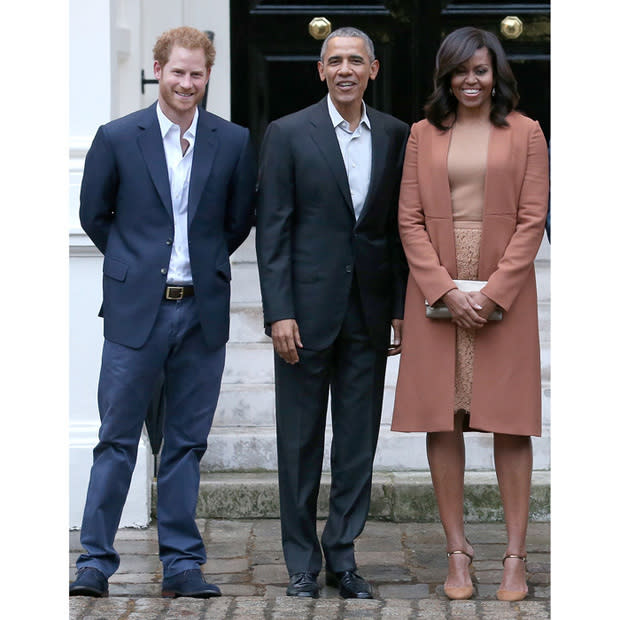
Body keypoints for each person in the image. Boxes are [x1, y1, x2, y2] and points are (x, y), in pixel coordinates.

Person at [70, 26, 256, 598]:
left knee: (184, 443)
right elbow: (94, 214)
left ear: (208, 76)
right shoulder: (119, 136)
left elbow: (237, 220)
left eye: (197, 74)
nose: (187, 83)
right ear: (158, 69)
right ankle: (95, 563)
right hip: (134, 313)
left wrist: (195, 265)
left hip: (200, 312)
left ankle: (181, 563)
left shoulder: (233, 141)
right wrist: (136, 267)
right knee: (116, 438)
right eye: (177, 72)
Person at [391, 27, 549, 602]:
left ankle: (514, 557)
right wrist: (444, 289)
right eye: (460, 71)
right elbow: (408, 218)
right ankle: (457, 554)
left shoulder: (527, 132)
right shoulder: (421, 134)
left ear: (496, 72)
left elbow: (534, 219)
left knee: (509, 420)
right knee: (444, 417)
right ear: (446, 77)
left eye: (480, 69)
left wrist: (494, 292)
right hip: (437, 283)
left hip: (505, 287)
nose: (471, 80)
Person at [256, 27, 409, 599]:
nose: (345, 69)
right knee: (298, 443)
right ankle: (300, 563)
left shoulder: (396, 135)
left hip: (369, 315)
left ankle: (342, 556)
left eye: (356, 60)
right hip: (304, 315)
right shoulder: (288, 134)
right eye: (335, 60)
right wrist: (279, 312)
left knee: (355, 443)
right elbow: (272, 230)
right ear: (321, 70)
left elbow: (398, 229)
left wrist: (398, 306)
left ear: (373, 69)